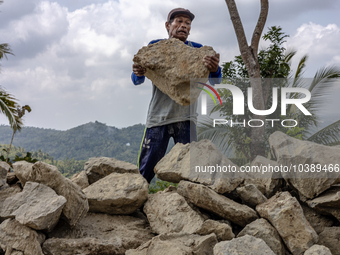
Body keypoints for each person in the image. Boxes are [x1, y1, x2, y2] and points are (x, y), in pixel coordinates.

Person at [131, 7, 222, 183]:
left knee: (192, 171)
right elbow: (137, 80)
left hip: (187, 118)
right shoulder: (156, 46)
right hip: (159, 118)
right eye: (179, 21)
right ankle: (136, 204)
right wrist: (138, 72)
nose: (184, 26)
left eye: (187, 23)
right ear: (168, 25)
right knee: (145, 170)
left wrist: (215, 69)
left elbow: (216, 81)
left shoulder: (198, 50)